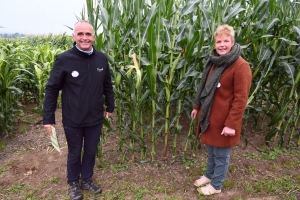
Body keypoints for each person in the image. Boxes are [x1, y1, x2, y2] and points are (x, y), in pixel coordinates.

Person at [43, 20, 114, 200]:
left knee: (90, 151)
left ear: (94, 37)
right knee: (75, 152)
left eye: (88, 34)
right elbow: (52, 88)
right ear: (74, 36)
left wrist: (110, 106)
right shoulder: (64, 59)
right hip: (73, 118)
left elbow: (107, 84)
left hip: (95, 117)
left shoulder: (101, 58)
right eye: (80, 34)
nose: (84, 38)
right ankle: (73, 182)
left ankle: (87, 179)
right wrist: (48, 118)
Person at [190, 24, 252, 196]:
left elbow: (241, 99)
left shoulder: (241, 66)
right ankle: (209, 175)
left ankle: (216, 184)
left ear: (232, 42)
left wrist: (231, 124)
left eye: (226, 40)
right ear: (215, 43)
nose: (222, 44)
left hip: (225, 121)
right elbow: (205, 88)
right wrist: (197, 107)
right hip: (210, 117)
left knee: (221, 154)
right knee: (211, 150)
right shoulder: (214, 62)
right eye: (219, 41)